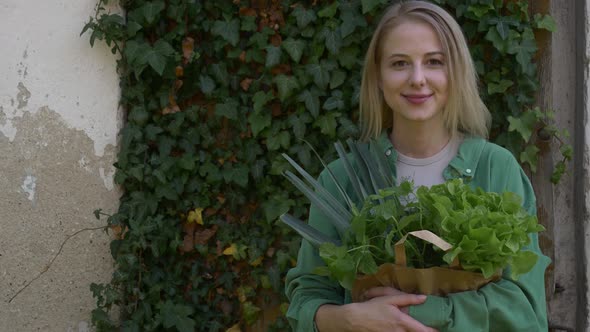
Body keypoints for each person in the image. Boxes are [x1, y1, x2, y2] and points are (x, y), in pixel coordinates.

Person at [284, 1, 551, 331]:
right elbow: (306, 300)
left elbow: (524, 307)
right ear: (378, 77)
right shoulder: (341, 179)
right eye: (399, 63)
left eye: (434, 62)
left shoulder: (495, 168)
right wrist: (349, 318)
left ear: (455, 73)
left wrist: (420, 313)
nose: (418, 78)